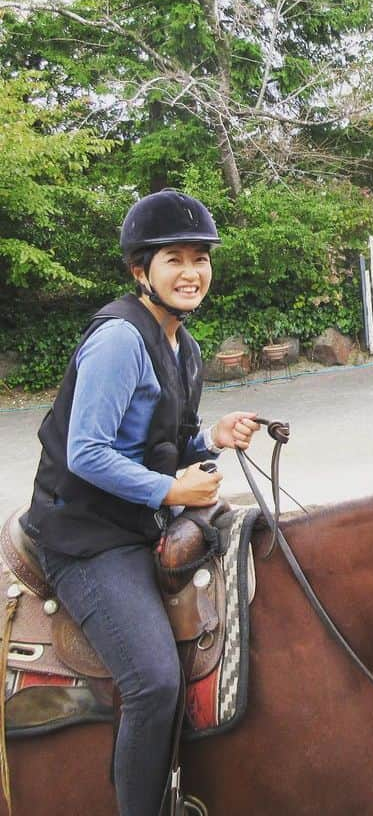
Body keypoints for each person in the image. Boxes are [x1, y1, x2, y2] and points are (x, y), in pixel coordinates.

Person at [21, 189, 260, 816]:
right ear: (140, 270)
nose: (191, 272)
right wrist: (170, 490)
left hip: (138, 517)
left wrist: (211, 436)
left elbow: (165, 438)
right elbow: (88, 452)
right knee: (154, 681)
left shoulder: (184, 345)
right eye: (173, 258)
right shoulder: (119, 339)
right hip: (87, 535)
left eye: (200, 258)